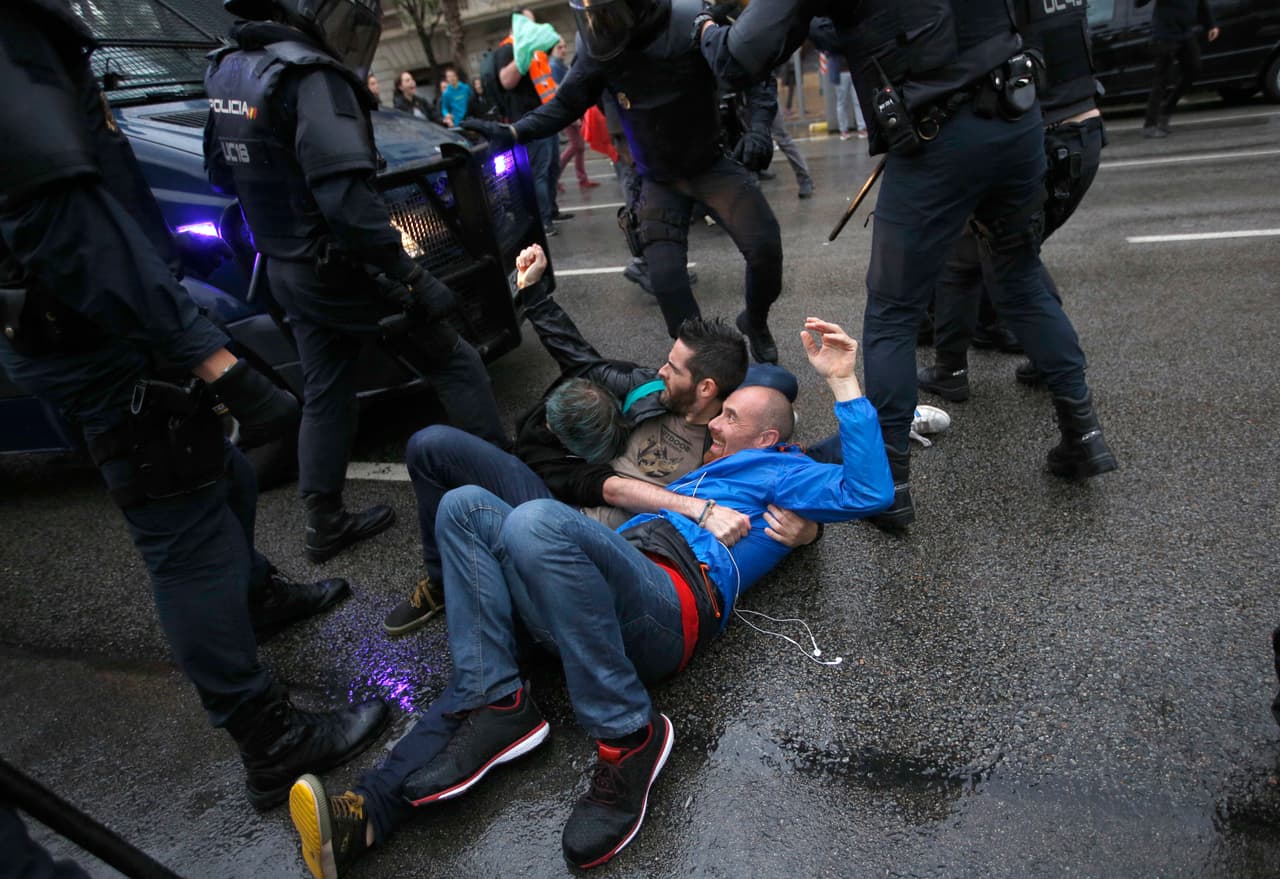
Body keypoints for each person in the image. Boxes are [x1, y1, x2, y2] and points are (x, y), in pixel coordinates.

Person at [286, 315, 892, 877]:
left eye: (728, 417)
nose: (713, 423)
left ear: (766, 438)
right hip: (593, 579)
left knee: (534, 522)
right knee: (464, 508)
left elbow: (868, 488)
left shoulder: (779, 470)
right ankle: (378, 806)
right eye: (719, 412)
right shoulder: (689, 455)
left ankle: (631, 737)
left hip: (667, 600)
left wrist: (842, 382)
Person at [0, 0, 389, 811]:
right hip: (97, 335)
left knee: (226, 481)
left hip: (109, 318)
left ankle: (256, 597)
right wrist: (215, 361)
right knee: (182, 537)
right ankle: (268, 738)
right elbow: (72, 227)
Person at [698, 1, 1118, 531]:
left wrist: (707, 27)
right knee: (1021, 278)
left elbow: (741, 58)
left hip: (937, 136)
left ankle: (890, 490)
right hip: (1016, 117)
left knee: (893, 313)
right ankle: (1084, 435)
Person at [205, 0, 509, 562]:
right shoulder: (310, 76)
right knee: (454, 360)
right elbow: (347, 204)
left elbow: (221, 170)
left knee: (327, 391)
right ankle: (509, 501)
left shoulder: (229, 68)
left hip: (287, 267)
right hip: (341, 267)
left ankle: (324, 520)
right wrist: (412, 277)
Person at [381, 244, 810, 634]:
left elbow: (801, 468)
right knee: (431, 444)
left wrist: (808, 530)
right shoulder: (648, 390)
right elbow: (580, 358)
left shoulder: (726, 439)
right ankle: (441, 585)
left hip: (599, 550)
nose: (661, 370)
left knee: (509, 572)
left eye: (674, 367)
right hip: (550, 496)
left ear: (706, 388)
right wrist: (535, 294)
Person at [465, 0, 786, 362]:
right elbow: (566, 104)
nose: (601, 23)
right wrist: (514, 131)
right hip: (658, 180)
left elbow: (753, 67)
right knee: (668, 285)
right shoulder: (599, 46)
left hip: (711, 166)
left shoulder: (691, 21)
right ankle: (705, 365)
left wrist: (759, 129)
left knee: (765, 250)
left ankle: (755, 321)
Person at [919, 0, 1109, 398]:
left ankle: (1060, 383)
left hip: (1043, 139)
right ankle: (955, 367)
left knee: (1006, 265)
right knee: (978, 254)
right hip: (1080, 133)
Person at [1138, 0, 1220, 138]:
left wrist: (1211, 25)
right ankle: (1150, 125)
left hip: (1186, 34)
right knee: (1162, 79)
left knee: (1194, 69)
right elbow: (1138, 3)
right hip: (1165, 35)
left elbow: (1201, 4)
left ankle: (1167, 110)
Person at [549, 39, 600, 191]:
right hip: (566, 111)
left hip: (571, 110)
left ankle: (581, 178)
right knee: (576, 145)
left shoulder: (559, 64)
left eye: (565, 46)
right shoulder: (555, 66)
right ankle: (555, 178)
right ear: (552, 49)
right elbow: (561, 91)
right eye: (560, 47)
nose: (564, 49)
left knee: (579, 146)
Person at [828, 52, 865, 140]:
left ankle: (862, 128)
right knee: (842, 103)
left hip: (853, 71)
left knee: (857, 101)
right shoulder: (834, 40)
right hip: (841, 73)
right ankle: (844, 130)